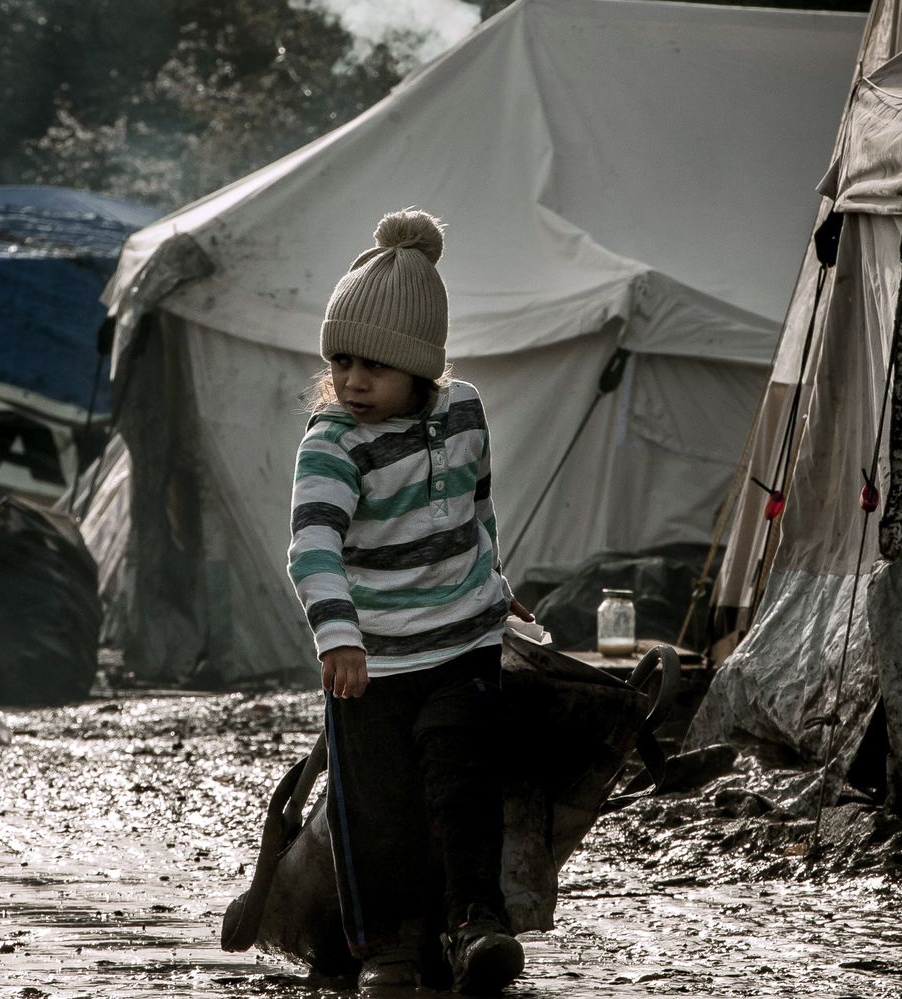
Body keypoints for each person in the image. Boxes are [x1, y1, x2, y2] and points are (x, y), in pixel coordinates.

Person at [286, 209, 532, 994]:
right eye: (344, 362)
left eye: (376, 366)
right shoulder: (332, 444)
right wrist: (338, 638)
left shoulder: (463, 412)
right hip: (373, 661)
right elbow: (313, 546)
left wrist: (498, 584)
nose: (355, 381)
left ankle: (476, 924)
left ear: (423, 368)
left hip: (463, 643)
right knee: (378, 810)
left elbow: (476, 508)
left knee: (465, 789)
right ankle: (388, 949)